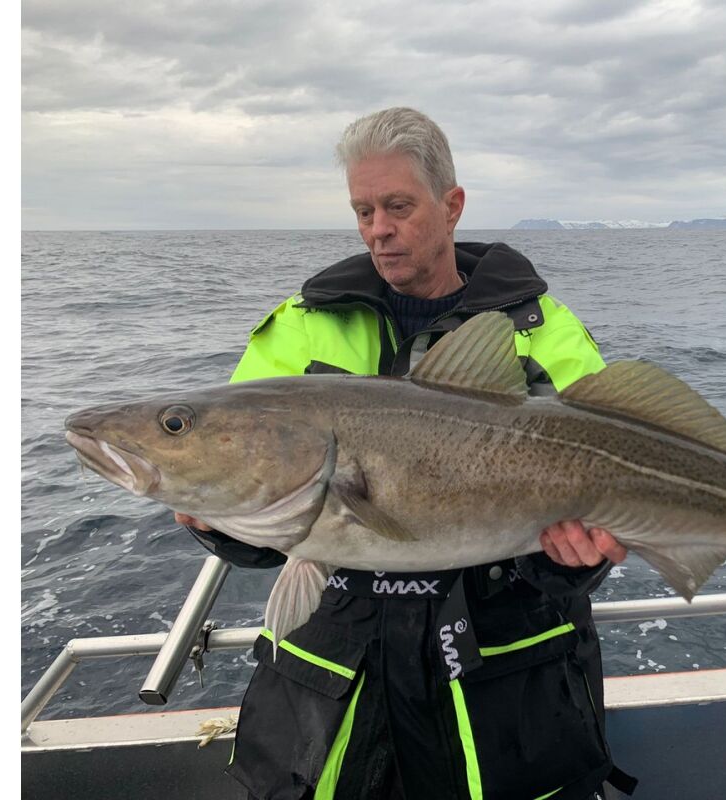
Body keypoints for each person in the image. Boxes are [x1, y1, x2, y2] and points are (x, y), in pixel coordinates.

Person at [175, 107, 636, 800]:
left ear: (451, 206)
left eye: (397, 206)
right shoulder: (301, 328)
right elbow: (266, 512)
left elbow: (612, 485)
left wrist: (569, 560)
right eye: (363, 211)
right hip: (336, 690)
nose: (378, 230)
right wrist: (221, 524)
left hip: (504, 692)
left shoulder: (541, 332)